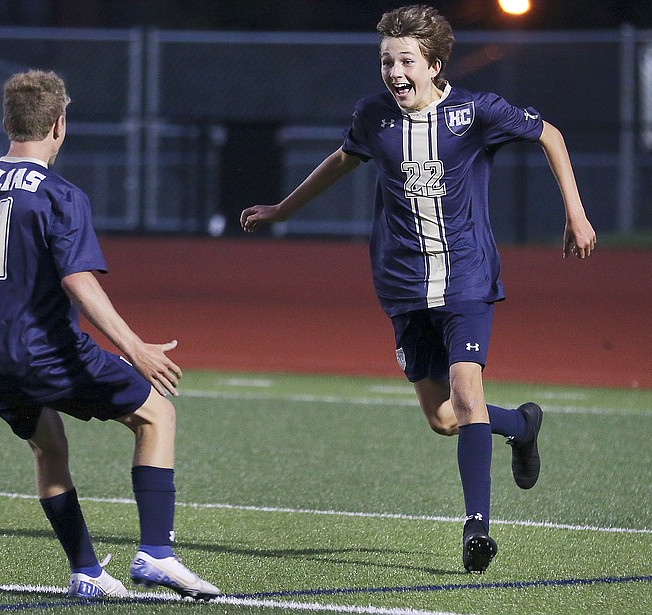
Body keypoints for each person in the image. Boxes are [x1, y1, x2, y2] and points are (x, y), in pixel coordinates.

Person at [240, 5, 596, 573]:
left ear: (433, 65)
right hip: (402, 284)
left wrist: (576, 214)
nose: (393, 71)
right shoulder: (373, 117)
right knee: (444, 417)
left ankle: (476, 529)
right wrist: (283, 209)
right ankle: (522, 424)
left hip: (467, 278)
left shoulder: (476, 112)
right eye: (386, 60)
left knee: (467, 388)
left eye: (405, 60)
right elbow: (342, 159)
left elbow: (549, 134)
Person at [0, 69, 221, 600]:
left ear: (6, 123)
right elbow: (77, 281)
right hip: (43, 350)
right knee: (157, 412)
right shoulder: (59, 194)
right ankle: (156, 554)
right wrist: (134, 348)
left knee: (48, 448)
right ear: (60, 125)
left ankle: (86, 571)